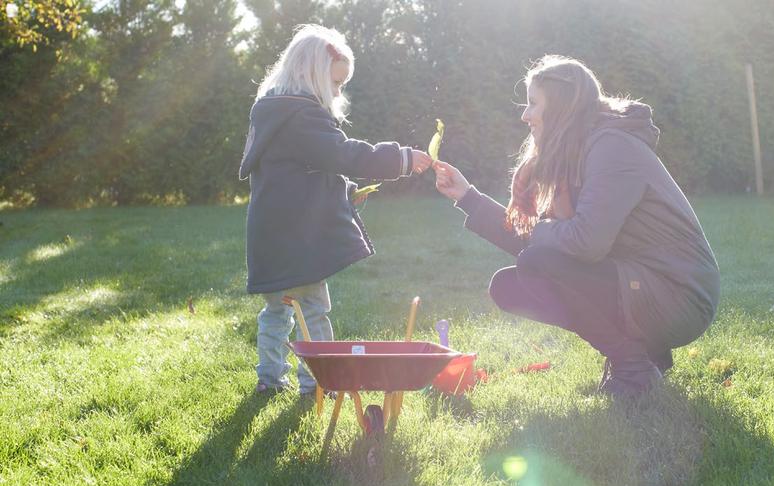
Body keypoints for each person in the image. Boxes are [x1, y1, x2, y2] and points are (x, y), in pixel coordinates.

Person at [432, 55, 720, 398]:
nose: (525, 115)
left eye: (533, 104)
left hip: (679, 297)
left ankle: (634, 369)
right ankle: (643, 357)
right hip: (641, 282)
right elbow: (546, 245)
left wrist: (534, 231)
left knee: (538, 262)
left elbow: (584, 243)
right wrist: (467, 197)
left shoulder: (612, 147)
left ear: (562, 107)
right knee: (509, 286)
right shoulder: (576, 154)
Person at [239, 24, 433, 395]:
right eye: (337, 82)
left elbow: (299, 174)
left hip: (269, 235)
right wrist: (402, 159)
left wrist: (342, 193)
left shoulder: (271, 114)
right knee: (313, 307)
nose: (339, 91)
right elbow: (344, 154)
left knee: (277, 311)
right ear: (313, 74)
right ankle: (318, 382)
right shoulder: (303, 116)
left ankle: (269, 377)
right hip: (299, 239)